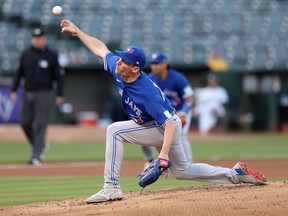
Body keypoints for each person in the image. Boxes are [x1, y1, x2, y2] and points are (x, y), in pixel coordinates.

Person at [60, 19, 266, 204]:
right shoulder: (118, 69)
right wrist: (78, 32)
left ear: (135, 69)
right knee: (184, 171)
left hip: (164, 126)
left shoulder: (146, 92)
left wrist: (163, 156)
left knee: (114, 131)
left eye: (124, 61)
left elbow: (167, 123)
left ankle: (111, 187)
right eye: (120, 58)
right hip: (158, 124)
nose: (119, 61)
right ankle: (234, 174)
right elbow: (101, 49)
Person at [10, 28, 64, 166]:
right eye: (35, 37)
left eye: (40, 37)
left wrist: (60, 93)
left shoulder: (51, 55)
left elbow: (58, 76)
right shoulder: (26, 54)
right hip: (27, 92)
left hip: (44, 93)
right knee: (24, 122)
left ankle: (36, 156)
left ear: (44, 39)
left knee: (40, 124)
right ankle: (40, 144)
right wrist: (14, 90)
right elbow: (19, 73)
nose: (37, 40)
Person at [142, 52, 194, 166]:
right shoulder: (149, 79)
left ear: (165, 64)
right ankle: (150, 160)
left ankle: (189, 164)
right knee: (143, 135)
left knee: (180, 135)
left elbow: (189, 98)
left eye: (157, 63)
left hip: (180, 111)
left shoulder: (178, 78)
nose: (154, 66)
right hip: (161, 113)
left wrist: (184, 113)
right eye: (152, 63)